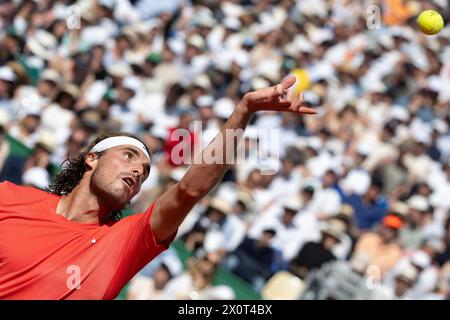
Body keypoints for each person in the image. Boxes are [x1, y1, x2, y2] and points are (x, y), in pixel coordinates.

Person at [0, 76, 316, 299]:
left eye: (146, 171)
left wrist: (243, 111)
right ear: (92, 159)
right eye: (128, 156)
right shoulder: (11, 198)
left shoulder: (124, 241)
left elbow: (189, 190)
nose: (138, 170)